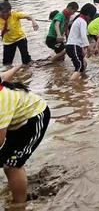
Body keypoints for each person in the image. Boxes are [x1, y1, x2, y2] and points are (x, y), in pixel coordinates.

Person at [0, 66, 50, 207]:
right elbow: (4, 75)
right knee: (6, 158)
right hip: (14, 118)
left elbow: (0, 139)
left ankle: (19, 204)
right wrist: (18, 66)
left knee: (11, 165)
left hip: (33, 118)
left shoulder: (1, 100)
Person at [0, 0, 38, 66]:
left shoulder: (14, 14)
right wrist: (4, 30)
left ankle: (28, 72)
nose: (6, 14)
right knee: (7, 63)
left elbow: (29, 16)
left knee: (26, 61)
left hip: (20, 38)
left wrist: (34, 22)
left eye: (7, 12)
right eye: (3, 12)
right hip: (8, 42)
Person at [66, 3, 97, 79]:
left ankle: (81, 83)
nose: (90, 19)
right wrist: (88, 48)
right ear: (88, 15)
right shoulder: (82, 21)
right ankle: (71, 83)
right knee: (79, 67)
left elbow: (80, 37)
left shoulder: (78, 20)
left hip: (73, 46)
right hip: (73, 46)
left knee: (84, 64)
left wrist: (83, 49)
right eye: (91, 17)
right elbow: (83, 36)